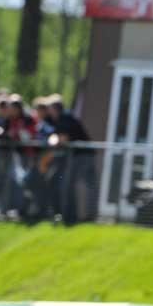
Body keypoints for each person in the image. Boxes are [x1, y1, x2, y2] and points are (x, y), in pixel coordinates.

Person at [46, 93, 96, 223]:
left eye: (49, 108)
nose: (48, 111)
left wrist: (52, 141)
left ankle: (76, 216)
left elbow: (62, 138)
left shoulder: (65, 118)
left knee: (73, 185)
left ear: (55, 108)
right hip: (78, 155)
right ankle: (72, 216)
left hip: (83, 156)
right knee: (70, 184)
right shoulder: (59, 119)